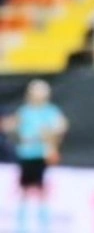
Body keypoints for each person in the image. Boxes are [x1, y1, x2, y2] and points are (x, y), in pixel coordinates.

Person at [3, 80, 67, 233]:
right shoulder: (25, 111)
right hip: (26, 154)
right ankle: (22, 224)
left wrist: (50, 138)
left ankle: (44, 223)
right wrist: (11, 126)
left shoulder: (50, 111)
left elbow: (61, 127)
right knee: (24, 188)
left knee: (41, 187)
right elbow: (12, 125)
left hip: (41, 154)